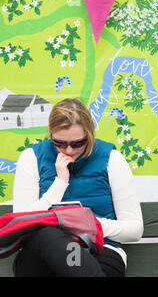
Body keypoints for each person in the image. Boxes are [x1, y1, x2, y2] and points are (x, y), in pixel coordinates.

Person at [12, 98, 143, 276]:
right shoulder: (31, 158)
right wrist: (59, 185)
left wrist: (89, 225)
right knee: (47, 234)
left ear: (89, 134)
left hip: (99, 250)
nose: (69, 151)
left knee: (77, 260)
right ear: (50, 134)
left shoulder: (111, 159)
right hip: (42, 255)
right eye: (59, 143)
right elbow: (20, 225)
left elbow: (134, 229)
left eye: (77, 143)